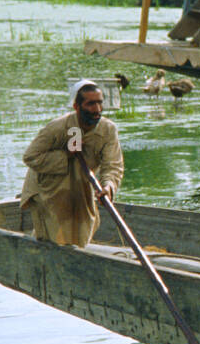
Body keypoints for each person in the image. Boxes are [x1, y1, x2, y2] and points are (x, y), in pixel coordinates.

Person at [20, 80, 124, 246]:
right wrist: (65, 155)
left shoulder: (108, 130)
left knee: (83, 232)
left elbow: (113, 165)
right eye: (90, 104)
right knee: (54, 236)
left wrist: (109, 186)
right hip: (48, 188)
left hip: (81, 185)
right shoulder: (57, 127)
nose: (97, 110)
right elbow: (30, 157)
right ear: (77, 107)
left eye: (99, 103)